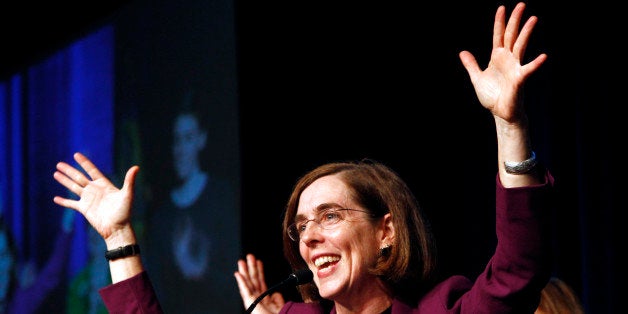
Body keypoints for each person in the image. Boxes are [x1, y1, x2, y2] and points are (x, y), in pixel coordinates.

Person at [51, 2, 554, 313]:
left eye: (330, 216)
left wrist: (509, 126)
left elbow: (517, 271)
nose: (309, 237)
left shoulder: (441, 309)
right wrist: (120, 238)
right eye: (301, 226)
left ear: (386, 231)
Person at [143, 91, 241, 313]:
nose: (180, 150)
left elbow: (233, 275)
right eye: (176, 140)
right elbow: (157, 286)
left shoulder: (221, 196)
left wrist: (199, 271)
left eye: (188, 138)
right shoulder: (162, 215)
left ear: (201, 140)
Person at [0, 208, 74, 314]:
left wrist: (68, 219)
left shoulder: (18, 304)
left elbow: (51, 275)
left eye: (3, 255)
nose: (1, 267)